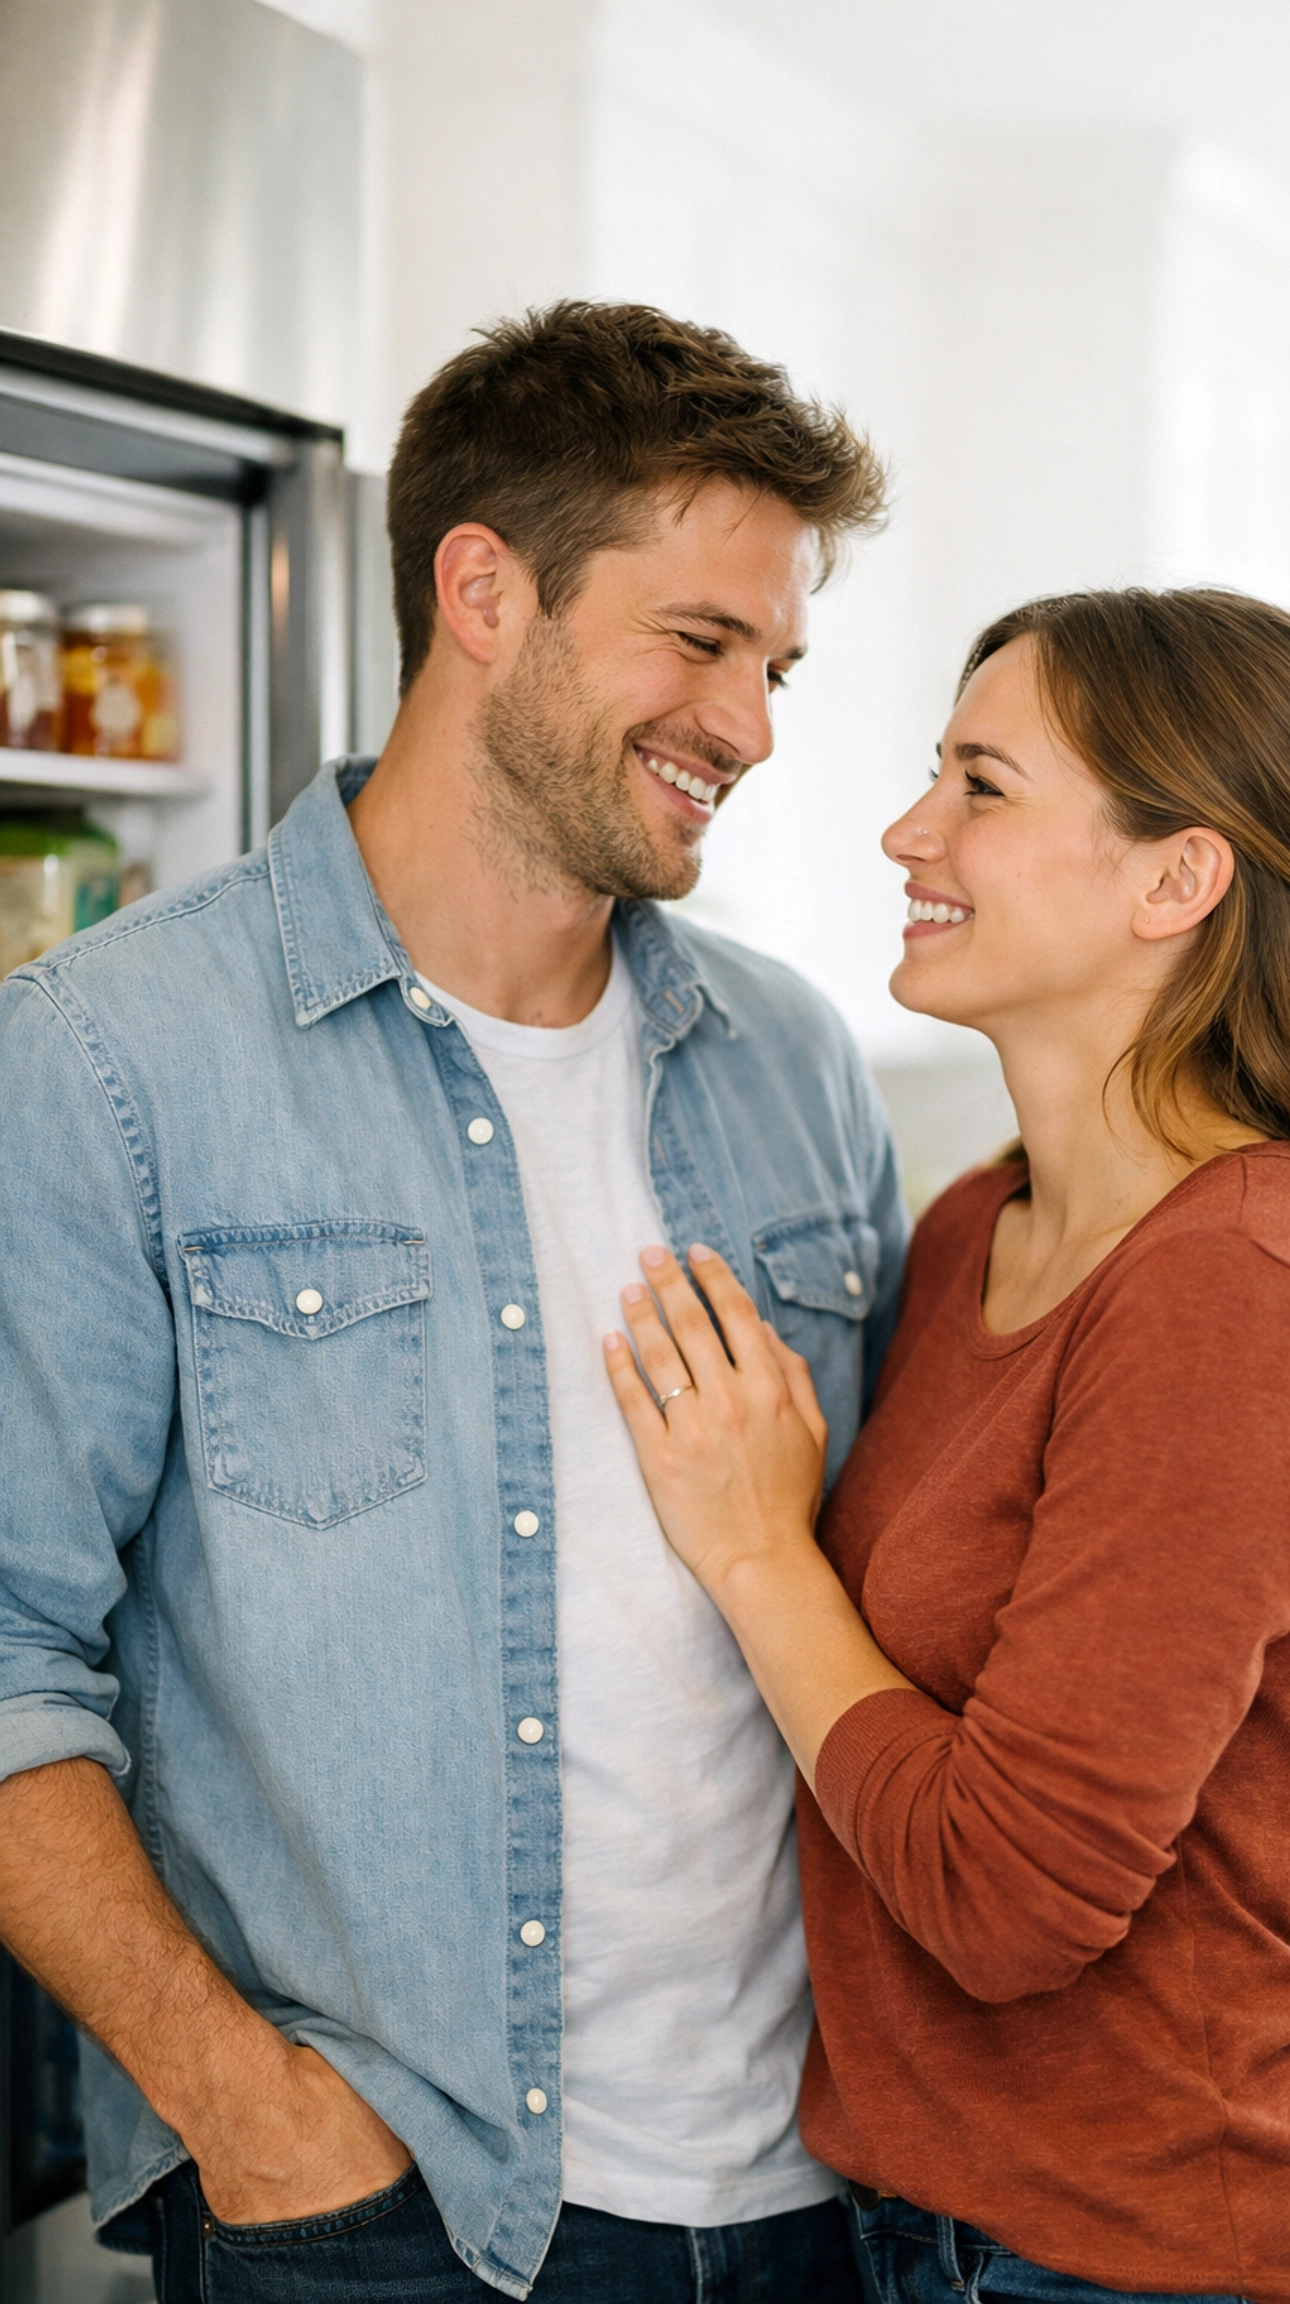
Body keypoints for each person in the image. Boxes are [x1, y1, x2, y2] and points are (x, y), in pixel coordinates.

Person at [0, 302, 904, 2303]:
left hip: (825, 2196)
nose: (751, 724)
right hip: (388, 2212)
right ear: (481, 590)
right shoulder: (113, 1058)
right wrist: (242, 2107)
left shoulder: (794, 1066)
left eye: (776, 663)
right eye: (700, 641)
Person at [605, 587, 1290, 2304]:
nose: (906, 828)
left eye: (982, 786)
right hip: (933, 2235)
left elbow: (1007, 1903)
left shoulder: (1232, 1288)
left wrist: (760, 1552)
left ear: (1176, 879)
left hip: (1169, 2262)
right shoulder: (970, 1230)